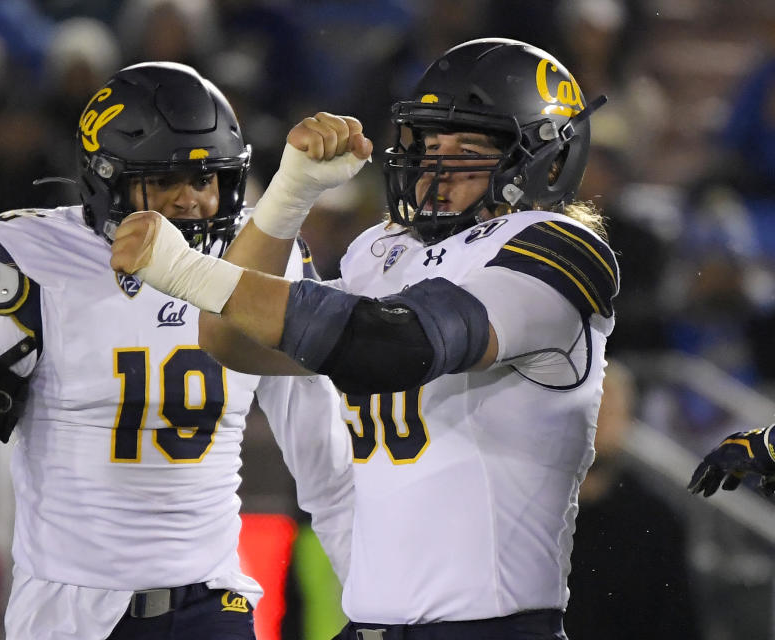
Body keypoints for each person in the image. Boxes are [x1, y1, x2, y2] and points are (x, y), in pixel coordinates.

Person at [110, 38, 618, 639]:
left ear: (547, 163)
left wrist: (189, 271)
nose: (436, 166)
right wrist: (288, 197)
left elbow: (397, 346)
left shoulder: (561, 247)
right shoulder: (387, 250)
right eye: (431, 144)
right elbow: (229, 341)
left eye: (469, 150)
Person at [0, 62, 354, 640]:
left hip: (213, 604)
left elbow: (328, 470)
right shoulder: (36, 264)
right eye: (164, 179)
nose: (191, 200)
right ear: (105, 181)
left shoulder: (261, 262)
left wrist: (377, 609)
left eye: (208, 178)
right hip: (73, 615)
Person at [566, 361, 702, 640]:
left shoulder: (654, 519)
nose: (598, 422)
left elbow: (676, 622)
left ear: (628, 423)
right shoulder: (520, 510)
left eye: (609, 411)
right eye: (589, 408)